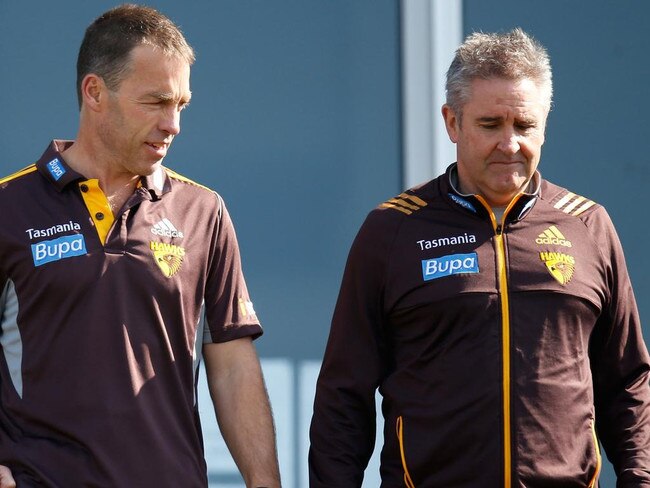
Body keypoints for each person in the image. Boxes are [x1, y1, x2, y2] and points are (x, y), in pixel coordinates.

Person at [309, 28, 650, 487]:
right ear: (452, 122)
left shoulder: (588, 225)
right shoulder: (392, 230)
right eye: (490, 125)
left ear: (544, 124)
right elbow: (343, 397)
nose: (509, 144)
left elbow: (627, 384)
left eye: (524, 125)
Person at [0, 4, 281, 487]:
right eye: (156, 102)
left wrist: (266, 483)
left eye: (181, 105)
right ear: (95, 93)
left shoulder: (203, 211)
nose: (173, 124)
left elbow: (232, 364)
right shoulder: (10, 207)